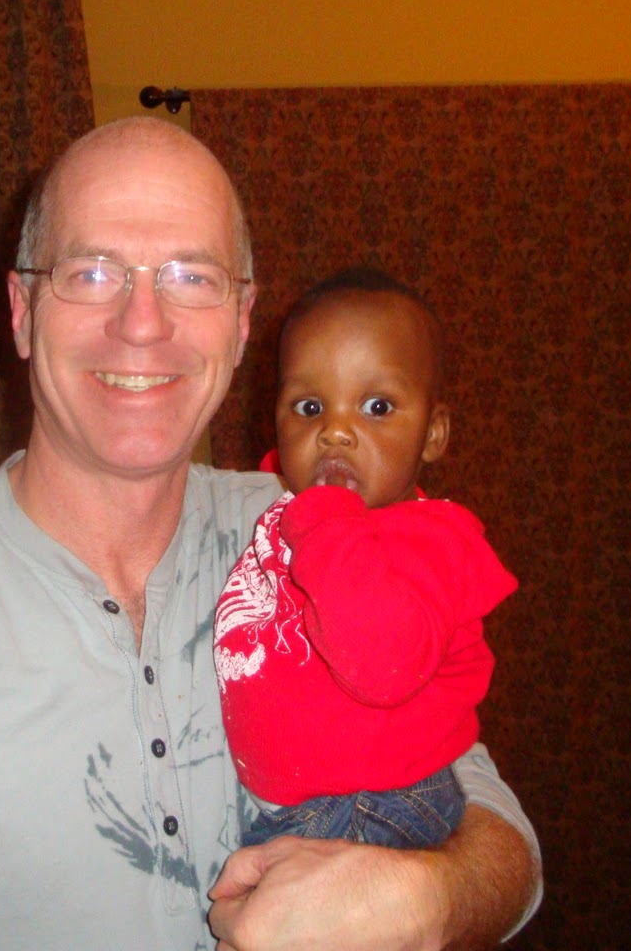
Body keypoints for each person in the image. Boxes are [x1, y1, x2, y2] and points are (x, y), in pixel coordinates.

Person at [0, 117, 541, 951]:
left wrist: (425, 899)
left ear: (242, 322)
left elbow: (496, 835)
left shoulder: (313, 532)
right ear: (21, 311)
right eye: (92, 272)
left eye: (191, 276)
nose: (142, 322)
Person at [215, 268, 517, 852]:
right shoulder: (288, 510)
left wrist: (325, 514)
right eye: (309, 407)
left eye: (377, 406)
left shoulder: (432, 540)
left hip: (373, 807)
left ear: (434, 434)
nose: (335, 432)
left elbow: (384, 667)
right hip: (307, 808)